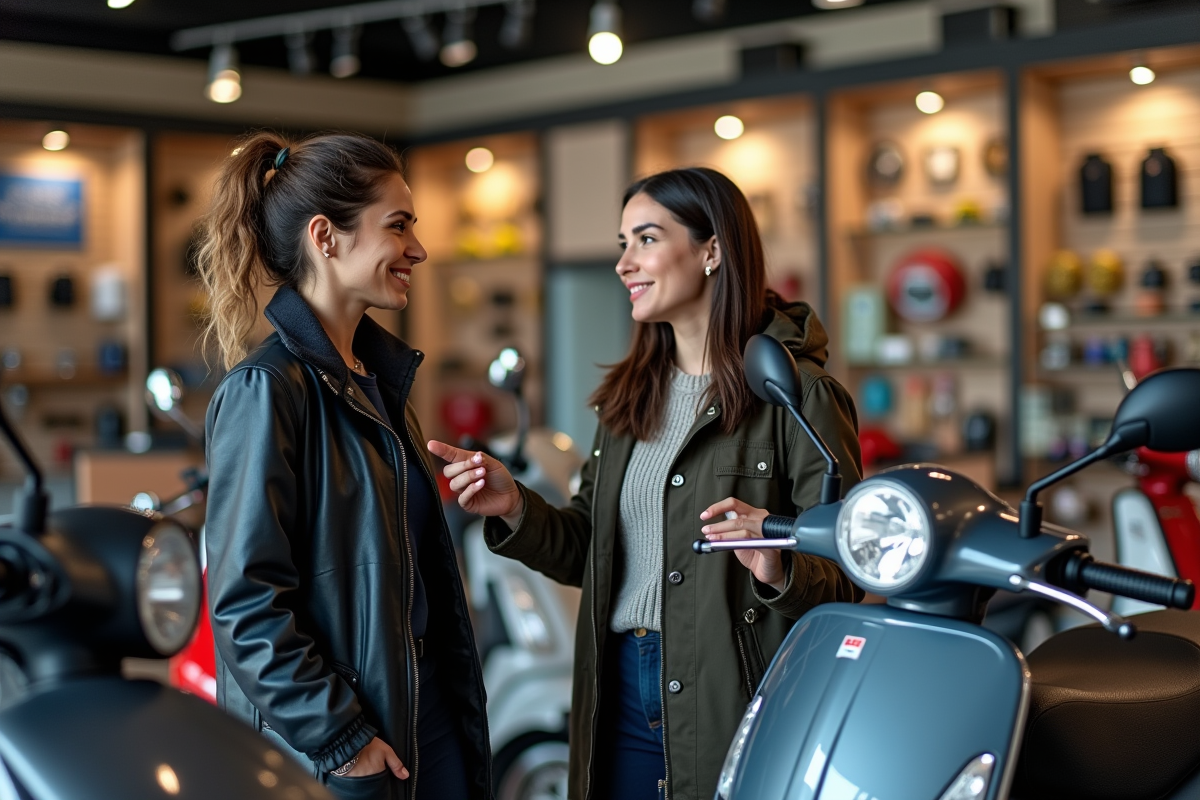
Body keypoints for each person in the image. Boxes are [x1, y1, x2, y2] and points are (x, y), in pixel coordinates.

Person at [430, 167, 864, 800]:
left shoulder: (799, 396)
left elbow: (851, 571)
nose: (624, 263)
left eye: (647, 239)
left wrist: (778, 566)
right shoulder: (629, 400)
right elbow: (590, 551)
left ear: (712, 249)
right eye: (622, 243)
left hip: (736, 696)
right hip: (617, 689)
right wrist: (516, 506)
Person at [199, 131, 491, 800]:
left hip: (425, 714)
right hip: (344, 741)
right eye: (398, 226)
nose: (418, 248)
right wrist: (340, 738)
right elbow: (245, 603)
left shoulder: (378, 381)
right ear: (325, 237)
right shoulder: (267, 390)